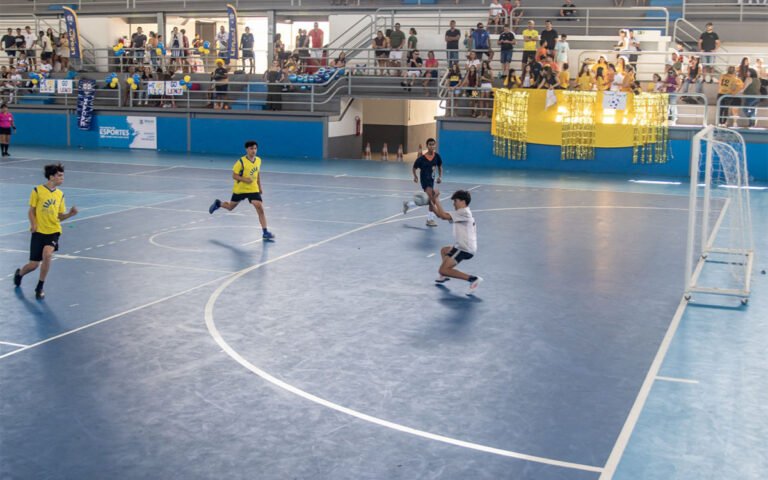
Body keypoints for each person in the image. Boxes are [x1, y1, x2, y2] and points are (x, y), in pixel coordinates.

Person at [13, 163, 78, 299]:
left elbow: (60, 217)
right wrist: (33, 224)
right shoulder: (37, 191)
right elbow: (31, 211)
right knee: (33, 265)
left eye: (62, 176)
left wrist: (70, 214)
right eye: (60, 176)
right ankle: (19, 274)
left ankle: (40, 286)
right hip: (39, 232)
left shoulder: (60, 195)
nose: (62, 179)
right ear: (51, 177)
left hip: (53, 230)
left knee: (47, 254)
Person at [209, 140, 276, 241]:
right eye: (251, 148)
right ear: (246, 149)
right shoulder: (240, 162)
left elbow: (257, 173)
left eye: (255, 148)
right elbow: (234, 175)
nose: (253, 151)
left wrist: (259, 186)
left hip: (253, 188)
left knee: (259, 207)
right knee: (230, 207)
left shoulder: (258, 160)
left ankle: (265, 232)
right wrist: (245, 179)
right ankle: (218, 203)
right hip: (240, 189)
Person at [430, 190, 482, 295]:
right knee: (444, 250)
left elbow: (444, 215)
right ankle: (444, 275)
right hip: (463, 246)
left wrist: (436, 200)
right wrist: (432, 204)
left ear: (463, 201)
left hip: (464, 249)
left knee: (442, 269)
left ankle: (473, 279)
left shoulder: (464, 212)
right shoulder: (462, 212)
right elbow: (441, 215)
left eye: (455, 201)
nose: (454, 203)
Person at [402, 137, 443, 227]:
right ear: (427, 146)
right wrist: (415, 177)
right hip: (425, 181)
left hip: (431, 181)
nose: (432, 146)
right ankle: (430, 219)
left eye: (433, 144)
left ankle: (408, 204)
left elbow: (440, 166)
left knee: (427, 200)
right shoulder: (422, 159)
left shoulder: (437, 156)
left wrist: (440, 177)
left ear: (435, 145)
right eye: (430, 145)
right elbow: (414, 167)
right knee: (432, 199)